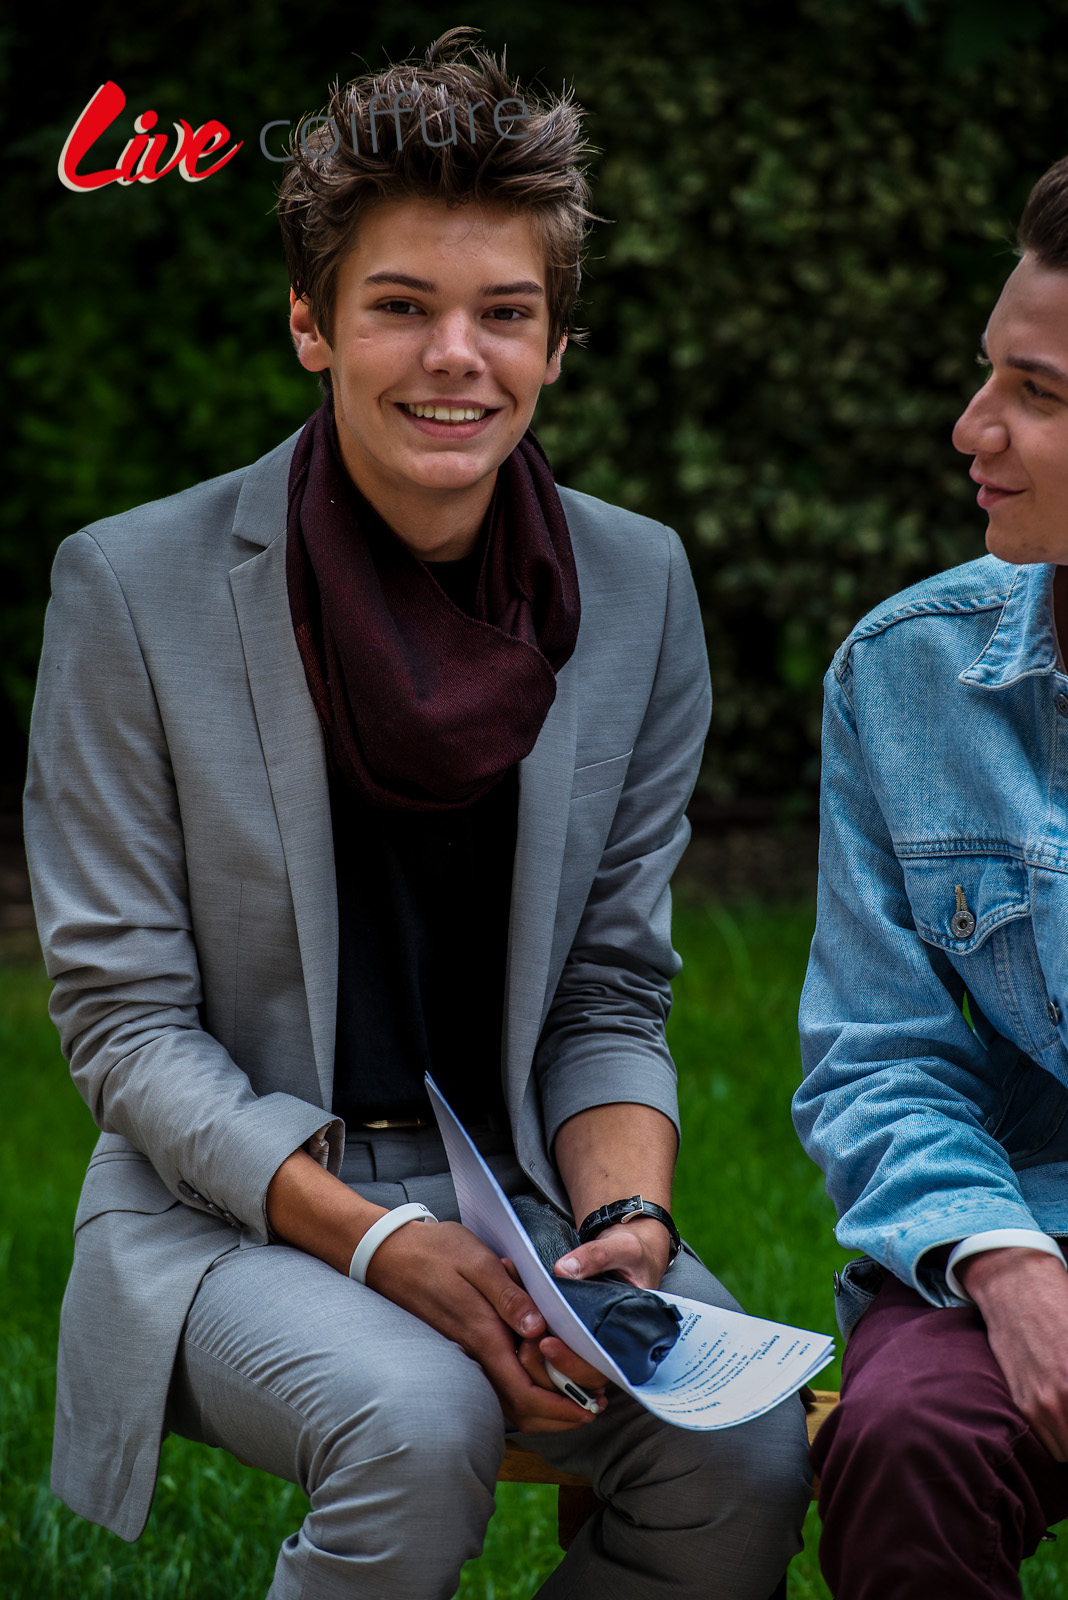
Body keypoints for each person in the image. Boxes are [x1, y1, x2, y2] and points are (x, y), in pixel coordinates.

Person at [25, 34, 810, 1600]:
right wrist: (381, 1249)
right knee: (418, 1412)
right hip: (228, 1214)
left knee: (745, 1451)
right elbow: (122, 1026)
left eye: (506, 314)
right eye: (402, 307)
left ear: (557, 348)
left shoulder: (639, 585)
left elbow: (607, 983)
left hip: (520, 1202)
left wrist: (625, 1227)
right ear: (311, 325)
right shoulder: (134, 585)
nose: (458, 355)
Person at [794, 154, 1068, 1597]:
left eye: (1042, 396)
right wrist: (1006, 1261)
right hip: (1017, 1220)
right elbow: (878, 1054)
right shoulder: (907, 678)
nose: (974, 430)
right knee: (902, 1440)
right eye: (988, 376)